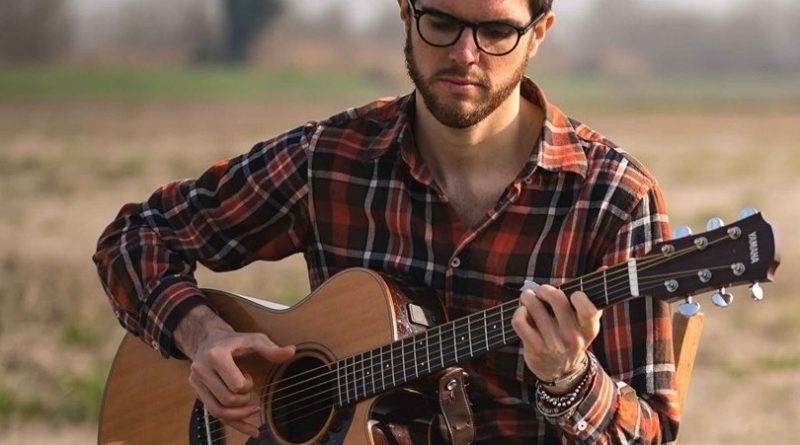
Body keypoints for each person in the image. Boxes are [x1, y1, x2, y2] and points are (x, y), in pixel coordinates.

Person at [94, 0, 680, 443]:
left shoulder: (613, 198)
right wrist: (203, 335)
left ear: (538, 35)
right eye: (441, 22)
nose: (464, 53)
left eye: (497, 30)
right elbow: (136, 236)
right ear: (405, 12)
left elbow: (647, 430)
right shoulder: (329, 159)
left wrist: (569, 378)